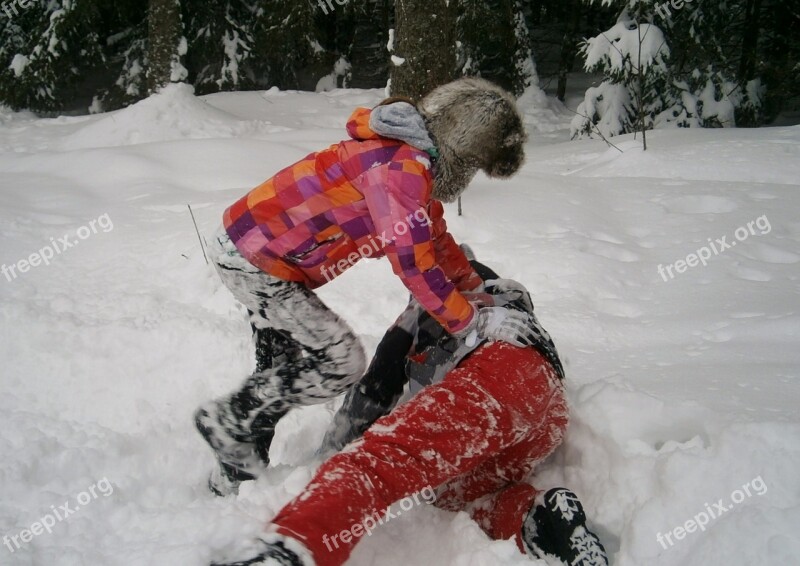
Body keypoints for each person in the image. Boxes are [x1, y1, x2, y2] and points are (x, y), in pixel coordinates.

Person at [195, 77, 532, 496]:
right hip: (257, 261)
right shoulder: (403, 170)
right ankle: (230, 422)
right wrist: (469, 324)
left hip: (250, 246)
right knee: (340, 362)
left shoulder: (409, 159)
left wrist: (471, 284)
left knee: (279, 367)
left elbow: (434, 239)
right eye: (473, 167)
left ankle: (233, 474)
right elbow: (413, 262)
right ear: (461, 153)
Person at [211, 256, 609, 566]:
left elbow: (374, 389)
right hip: (547, 410)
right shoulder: (509, 302)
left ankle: (285, 550)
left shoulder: (425, 307)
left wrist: (329, 453)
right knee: (453, 495)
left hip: (494, 378)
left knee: (379, 464)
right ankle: (535, 517)